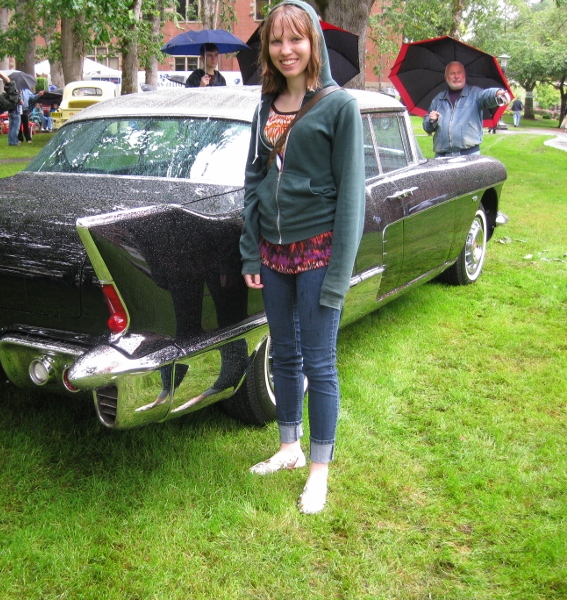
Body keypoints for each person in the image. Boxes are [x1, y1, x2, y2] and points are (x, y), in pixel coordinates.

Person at [239, 0, 365, 514]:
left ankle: (319, 470)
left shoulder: (340, 107)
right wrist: (251, 251)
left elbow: (352, 198)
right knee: (284, 355)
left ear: (313, 43)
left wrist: (337, 278)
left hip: (319, 253)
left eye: (296, 39)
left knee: (320, 362)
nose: (285, 50)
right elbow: (252, 181)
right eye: (275, 40)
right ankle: (289, 446)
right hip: (272, 253)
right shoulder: (266, 105)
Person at [422, 61, 509, 157]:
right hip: (442, 156)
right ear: (446, 77)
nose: (456, 76)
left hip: (469, 155)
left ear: (464, 75)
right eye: (452, 73)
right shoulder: (438, 99)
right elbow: (427, 128)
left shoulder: (475, 94)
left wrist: (496, 93)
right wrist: (431, 120)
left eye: (459, 72)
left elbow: (486, 95)